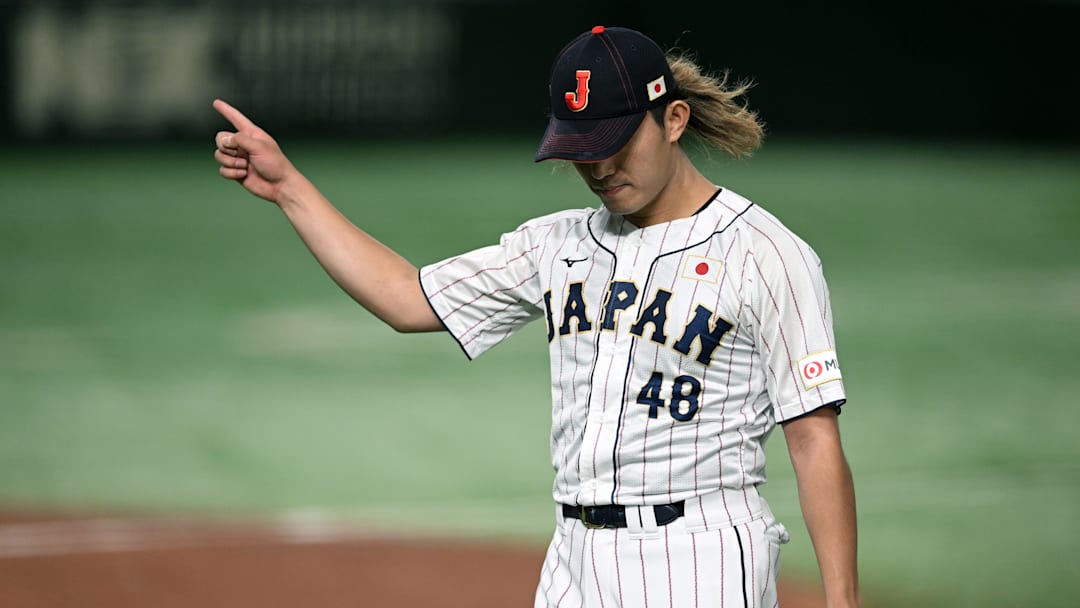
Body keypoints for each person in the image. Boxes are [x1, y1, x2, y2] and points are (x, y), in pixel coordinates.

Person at [213, 25, 860, 608]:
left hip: (697, 557)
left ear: (674, 119)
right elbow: (408, 299)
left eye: (616, 142)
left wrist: (841, 599)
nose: (599, 167)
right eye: (582, 147)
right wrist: (289, 189)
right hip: (573, 561)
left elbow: (811, 437)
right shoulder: (557, 245)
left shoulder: (765, 254)